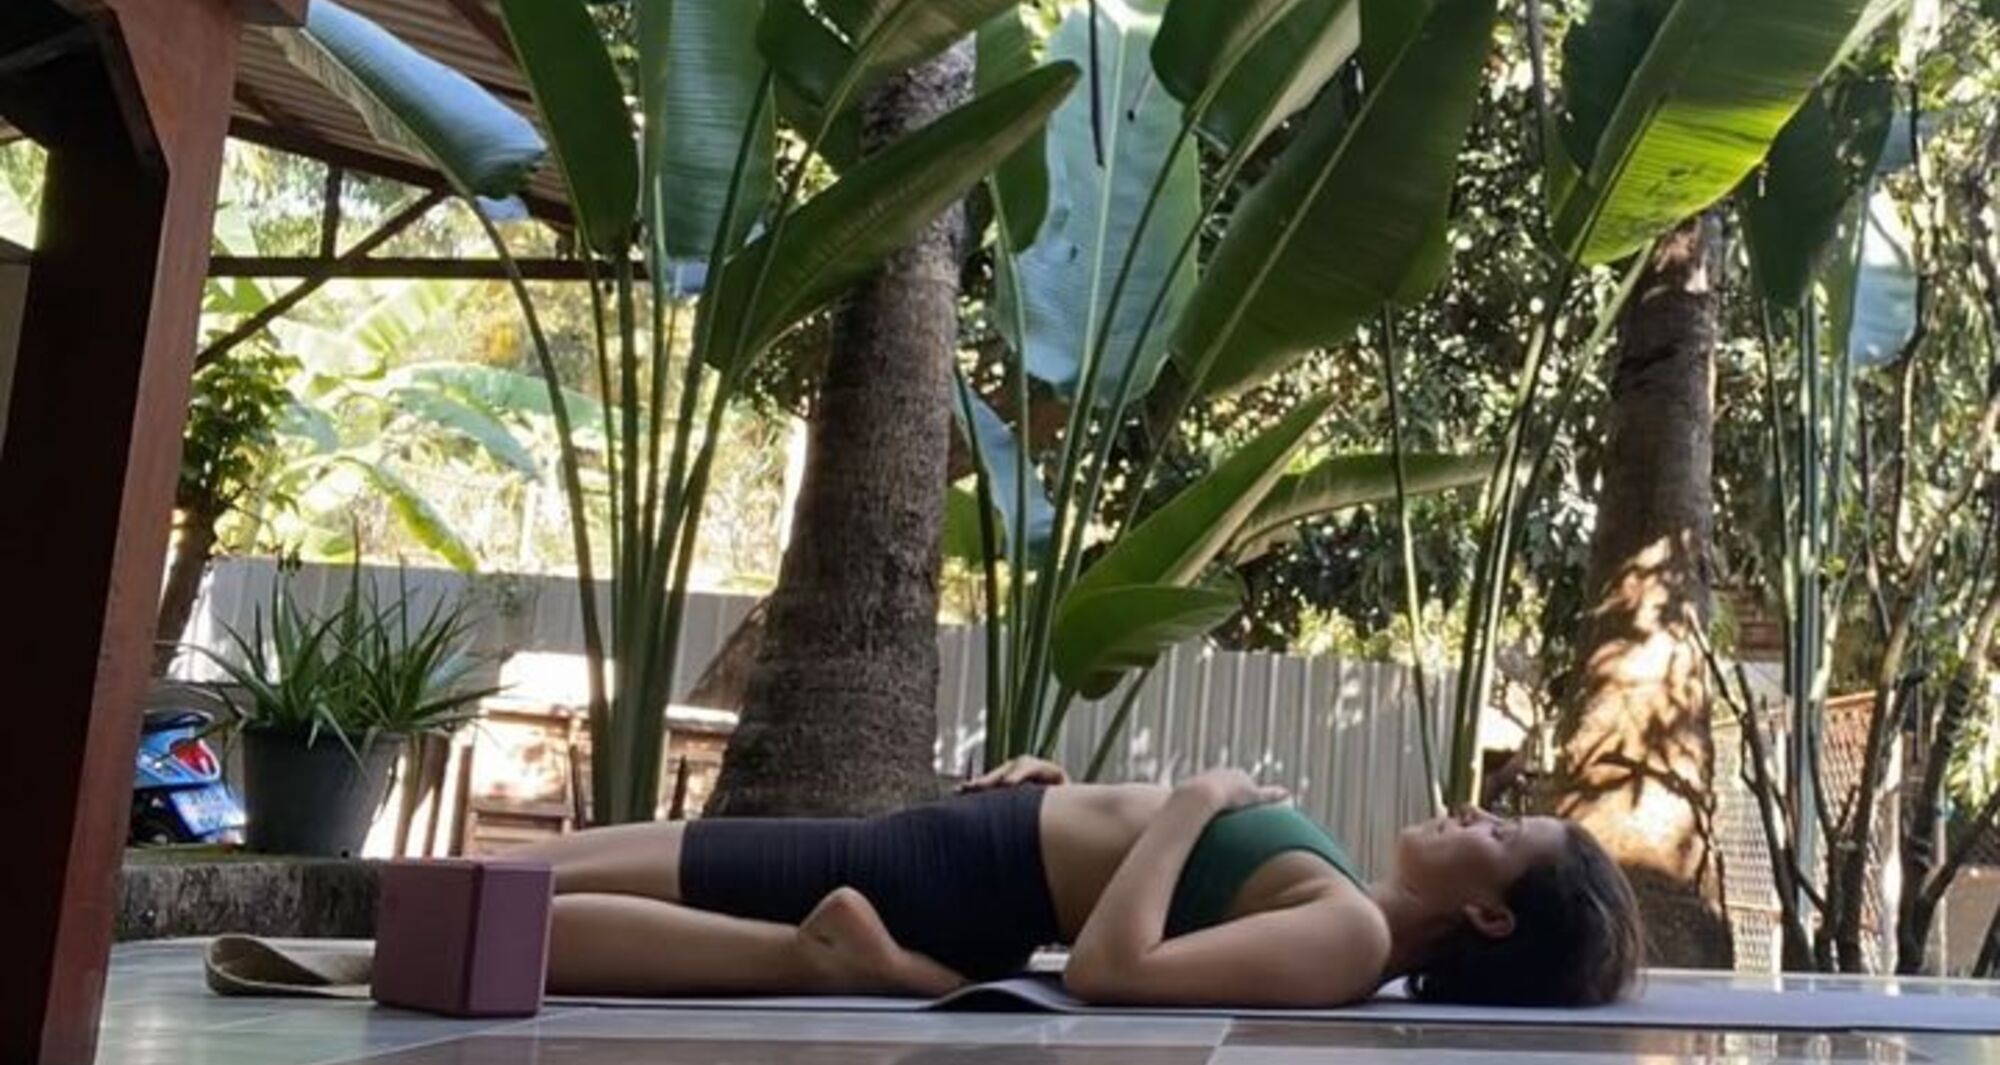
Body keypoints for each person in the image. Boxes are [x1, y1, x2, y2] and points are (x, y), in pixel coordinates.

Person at [516, 757, 1643, 1008]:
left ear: (1487, 914)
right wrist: (1071, 787)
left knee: (535, 892)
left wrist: (1193, 800)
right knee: (582, 867)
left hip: (961, 876)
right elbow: (1140, 880)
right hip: (976, 856)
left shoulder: (1348, 939)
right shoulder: (1346, 901)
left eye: (1500, 836)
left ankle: (453, 930)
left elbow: (1111, 968)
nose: (1474, 813)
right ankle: (867, 966)